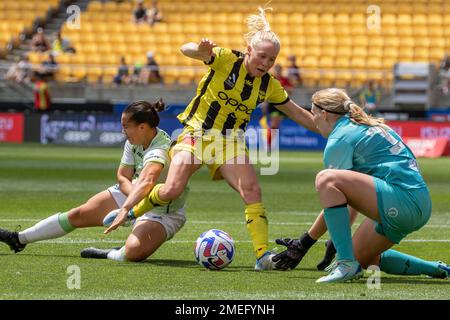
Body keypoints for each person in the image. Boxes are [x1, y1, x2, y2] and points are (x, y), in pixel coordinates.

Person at [104, 6, 318, 271]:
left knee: (252, 191)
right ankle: (130, 213)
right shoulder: (226, 59)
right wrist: (201, 50)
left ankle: (263, 256)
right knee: (172, 189)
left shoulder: (269, 85)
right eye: (262, 56)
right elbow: (186, 48)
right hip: (196, 133)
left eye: (272, 60)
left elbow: (298, 113)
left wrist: (331, 130)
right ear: (249, 50)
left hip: (228, 142)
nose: (266, 63)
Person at [272, 88, 450, 282]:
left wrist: (304, 243)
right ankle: (437, 269)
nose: (313, 120)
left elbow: (336, 190)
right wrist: (337, 239)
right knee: (363, 258)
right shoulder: (366, 125)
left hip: (401, 201)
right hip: (418, 203)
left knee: (326, 178)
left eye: (314, 114)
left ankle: (346, 264)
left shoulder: (340, 138)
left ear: (324, 114)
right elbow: (350, 197)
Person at [0, 100, 189, 263]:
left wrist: (128, 210)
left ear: (142, 127)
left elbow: (148, 181)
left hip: (163, 211)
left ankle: (112, 253)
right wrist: (132, 201)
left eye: (125, 126)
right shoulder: (133, 141)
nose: (123, 131)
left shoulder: (160, 149)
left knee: (133, 253)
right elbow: (123, 176)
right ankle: (18, 238)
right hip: (134, 193)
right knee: (78, 214)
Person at [260, 63, 293, 151]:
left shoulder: (285, 79)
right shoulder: (272, 78)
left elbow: (291, 90)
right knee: (274, 125)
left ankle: (270, 143)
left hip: (283, 104)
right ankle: (269, 144)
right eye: (277, 69)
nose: (278, 71)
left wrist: (284, 88)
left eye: (279, 69)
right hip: (273, 105)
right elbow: (267, 92)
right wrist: (265, 104)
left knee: (276, 126)